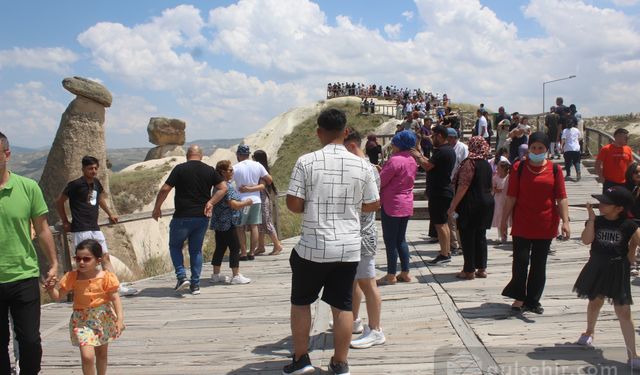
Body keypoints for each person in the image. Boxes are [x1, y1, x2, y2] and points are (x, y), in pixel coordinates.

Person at [283, 108, 380, 375]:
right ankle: (340, 363)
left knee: (301, 303)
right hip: (348, 247)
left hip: (313, 246)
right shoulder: (362, 165)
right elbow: (373, 204)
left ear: (318, 132)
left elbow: (293, 204)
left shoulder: (306, 161)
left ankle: (302, 359)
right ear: (346, 131)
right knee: (343, 306)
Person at [0, 131, 58, 375]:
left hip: (24, 274)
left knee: (31, 342)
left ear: (7, 154)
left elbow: (43, 229)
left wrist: (53, 263)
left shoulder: (28, 187)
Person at [501, 132, 570, 314]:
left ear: (547, 149)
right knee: (520, 261)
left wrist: (565, 221)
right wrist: (503, 220)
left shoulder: (555, 170)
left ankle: (533, 300)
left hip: (546, 224)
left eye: (540, 148)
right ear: (528, 149)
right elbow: (511, 196)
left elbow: (561, 197)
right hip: (522, 222)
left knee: (539, 264)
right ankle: (519, 297)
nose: (537, 151)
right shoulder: (519, 167)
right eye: (533, 148)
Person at [573, 187, 640, 369]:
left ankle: (633, 353)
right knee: (595, 301)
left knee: (623, 311)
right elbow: (586, 240)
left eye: (606, 202)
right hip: (596, 265)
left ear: (619, 208)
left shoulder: (629, 225)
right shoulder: (598, 221)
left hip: (618, 269)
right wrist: (592, 221)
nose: (601, 204)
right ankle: (589, 332)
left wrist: (632, 250)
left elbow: (637, 240)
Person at [55, 156, 137, 297]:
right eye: (90, 168)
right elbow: (59, 202)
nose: (93, 171)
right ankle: (86, 290)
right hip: (81, 228)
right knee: (85, 261)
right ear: (83, 169)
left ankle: (114, 287)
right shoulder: (75, 185)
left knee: (104, 257)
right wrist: (65, 221)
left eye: (95, 168)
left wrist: (110, 213)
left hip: (94, 227)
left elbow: (99, 200)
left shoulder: (96, 183)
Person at [152, 145, 227, 295]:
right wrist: (211, 202)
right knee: (196, 251)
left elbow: (165, 189)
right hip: (201, 217)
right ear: (201, 155)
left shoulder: (180, 169)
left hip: (182, 216)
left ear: (187, 155)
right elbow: (223, 188)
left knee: (175, 246)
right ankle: (195, 285)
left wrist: (157, 207)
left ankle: (181, 277)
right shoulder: (209, 169)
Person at [45, 239, 124, 375]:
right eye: (78, 258)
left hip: (103, 318)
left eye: (86, 259)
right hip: (82, 320)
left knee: (101, 354)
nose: (81, 262)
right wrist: (51, 289)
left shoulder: (106, 277)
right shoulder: (72, 277)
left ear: (98, 260)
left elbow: (115, 298)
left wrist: (120, 320)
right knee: (87, 357)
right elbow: (58, 297)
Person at [342, 128, 385, 349]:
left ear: (350, 146)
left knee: (368, 281)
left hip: (363, 233)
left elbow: (371, 203)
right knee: (355, 279)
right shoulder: (365, 167)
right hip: (356, 232)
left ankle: (376, 329)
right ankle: (356, 320)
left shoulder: (365, 169)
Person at [448, 137, 495, 280]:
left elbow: (463, 186)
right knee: (480, 236)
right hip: (486, 203)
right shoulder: (486, 163)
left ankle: (468, 270)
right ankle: (481, 268)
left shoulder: (469, 163)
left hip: (470, 204)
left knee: (467, 236)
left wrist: (453, 206)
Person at [411, 125, 457, 265]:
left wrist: (417, 156)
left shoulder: (442, 152)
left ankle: (444, 254)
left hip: (440, 192)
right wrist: (419, 151)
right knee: (443, 224)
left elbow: (427, 166)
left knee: (440, 224)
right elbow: (430, 162)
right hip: (442, 191)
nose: (431, 138)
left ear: (440, 136)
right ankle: (446, 251)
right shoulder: (445, 150)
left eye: (433, 135)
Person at [377, 130, 417, 286]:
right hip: (406, 202)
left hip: (392, 204)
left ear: (399, 144)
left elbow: (381, 181)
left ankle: (391, 274)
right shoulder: (412, 160)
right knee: (401, 239)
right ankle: (405, 272)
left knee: (390, 241)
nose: (392, 145)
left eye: (394, 142)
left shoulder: (394, 160)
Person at [209, 160, 253, 285]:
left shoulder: (217, 186)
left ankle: (216, 275)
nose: (232, 172)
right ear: (223, 172)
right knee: (235, 248)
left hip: (219, 223)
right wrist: (246, 202)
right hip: (228, 222)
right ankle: (236, 275)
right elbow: (233, 204)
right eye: (230, 170)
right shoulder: (226, 187)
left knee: (220, 248)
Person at [234, 144, 273, 260]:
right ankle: (251, 252)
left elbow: (227, 182)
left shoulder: (235, 167)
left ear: (238, 155)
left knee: (240, 227)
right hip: (256, 200)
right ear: (248, 154)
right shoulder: (257, 165)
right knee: (254, 226)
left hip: (243, 201)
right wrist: (255, 185)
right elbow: (269, 180)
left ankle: (243, 253)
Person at [250, 150, 283, 256]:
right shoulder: (262, 170)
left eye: (253, 157)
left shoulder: (262, 172)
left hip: (263, 200)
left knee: (266, 223)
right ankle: (260, 246)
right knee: (260, 224)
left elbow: (262, 186)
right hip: (260, 199)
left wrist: (246, 189)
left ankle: (277, 245)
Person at [447, 128, 468, 254]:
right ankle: (454, 243)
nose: (448, 140)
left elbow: (464, 166)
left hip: (458, 185)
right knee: (451, 215)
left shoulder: (462, 148)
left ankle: (460, 243)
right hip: (449, 184)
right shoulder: (448, 149)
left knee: (456, 214)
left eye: (450, 137)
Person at [595, 128, 634, 193]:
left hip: (624, 183)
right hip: (609, 183)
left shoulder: (628, 149)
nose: (627, 139)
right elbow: (597, 165)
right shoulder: (606, 149)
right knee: (608, 201)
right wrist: (602, 179)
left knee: (622, 202)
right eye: (626, 137)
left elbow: (631, 166)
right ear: (617, 136)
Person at [492, 161, 511, 243]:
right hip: (498, 200)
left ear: (503, 169)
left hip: (507, 199)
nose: (497, 169)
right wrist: (497, 190)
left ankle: (505, 235)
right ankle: (500, 236)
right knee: (499, 216)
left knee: (506, 217)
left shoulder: (509, 177)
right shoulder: (495, 177)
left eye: (499, 168)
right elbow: (493, 189)